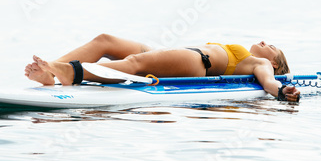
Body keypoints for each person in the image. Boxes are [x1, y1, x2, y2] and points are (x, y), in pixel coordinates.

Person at [24, 34, 301, 102]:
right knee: (105, 41)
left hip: (196, 63)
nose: (266, 44)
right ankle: (49, 73)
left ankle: (72, 72)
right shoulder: (256, 58)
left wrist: (281, 91)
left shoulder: (262, 64)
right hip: (183, 54)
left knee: (134, 65)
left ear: (275, 62)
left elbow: (268, 82)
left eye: (272, 47)